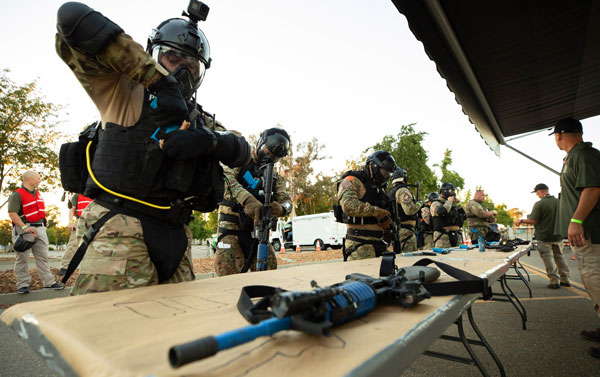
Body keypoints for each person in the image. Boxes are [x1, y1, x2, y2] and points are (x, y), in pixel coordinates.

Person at [55, 2, 251, 294]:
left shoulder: (199, 119)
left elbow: (243, 151)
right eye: (173, 58)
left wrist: (210, 141)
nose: (183, 70)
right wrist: (160, 82)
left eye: (192, 64)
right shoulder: (121, 90)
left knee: (176, 333)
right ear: (153, 54)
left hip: (177, 241)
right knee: (113, 333)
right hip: (118, 235)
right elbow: (71, 18)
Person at [552, 117, 600, 359]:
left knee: (597, 280)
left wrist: (576, 220)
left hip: (591, 234)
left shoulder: (583, 154)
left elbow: (592, 188)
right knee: (592, 282)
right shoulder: (574, 157)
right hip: (586, 237)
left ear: (559, 135)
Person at [214, 127, 292, 275]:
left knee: (268, 275)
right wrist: (248, 200)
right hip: (231, 231)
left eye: (274, 157)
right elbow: (227, 181)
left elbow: (287, 200)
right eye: (267, 152)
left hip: (258, 233)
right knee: (228, 279)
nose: (269, 158)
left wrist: (282, 208)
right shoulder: (240, 158)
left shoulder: (273, 176)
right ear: (261, 144)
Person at [7, 171, 64, 294]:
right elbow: (12, 213)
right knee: (22, 258)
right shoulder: (17, 195)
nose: (40, 180)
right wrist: (23, 227)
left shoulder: (37, 194)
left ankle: (49, 282)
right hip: (24, 229)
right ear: (30, 179)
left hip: (40, 228)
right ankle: (22, 285)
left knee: (43, 257)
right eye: (38, 178)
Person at [335, 151, 395, 261]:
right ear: (373, 167)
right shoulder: (353, 181)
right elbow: (348, 205)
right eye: (384, 171)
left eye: (388, 173)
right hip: (360, 244)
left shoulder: (380, 190)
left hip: (380, 243)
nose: (385, 175)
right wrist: (377, 212)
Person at [516, 183, 569, 289]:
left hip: (544, 236)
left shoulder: (539, 204)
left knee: (548, 257)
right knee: (560, 257)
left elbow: (533, 220)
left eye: (537, 193)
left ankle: (554, 281)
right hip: (558, 235)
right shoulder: (559, 202)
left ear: (540, 191)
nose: (537, 195)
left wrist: (520, 220)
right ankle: (565, 279)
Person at [58, 193, 93, 276]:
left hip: (93, 222)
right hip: (80, 221)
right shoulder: (77, 195)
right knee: (72, 245)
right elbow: (71, 209)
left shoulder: (95, 193)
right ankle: (64, 267)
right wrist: (70, 222)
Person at [387, 167, 421, 252]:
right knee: (410, 261)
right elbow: (409, 210)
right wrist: (420, 204)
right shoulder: (402, 190)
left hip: (398, 230)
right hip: (405, 232)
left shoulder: (391, 192)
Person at [430, 182, 464, 248]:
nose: (453, 193)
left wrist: (458, 205)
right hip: (443, 236)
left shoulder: (452, 204)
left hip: (456, 235)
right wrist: (449, 202)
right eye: (451, 191)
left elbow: (463, 216)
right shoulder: (436, 203)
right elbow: (441, 212)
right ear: (444, 191)